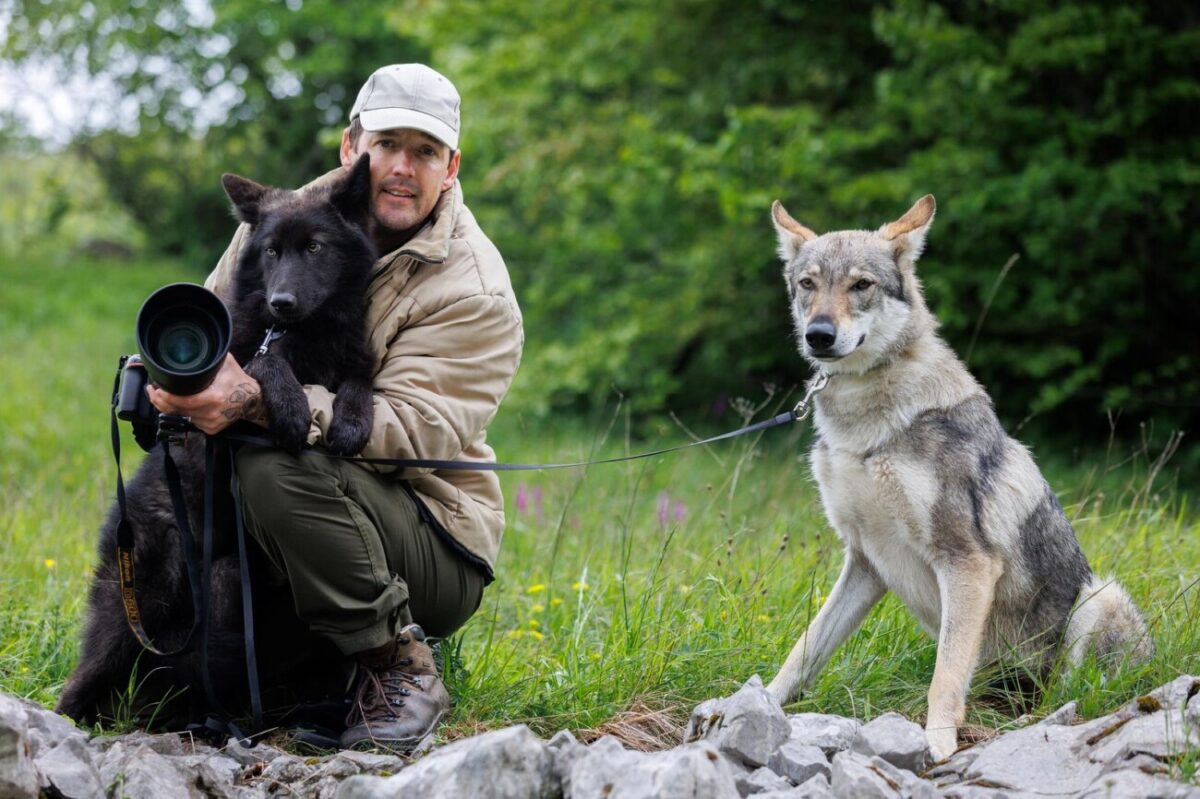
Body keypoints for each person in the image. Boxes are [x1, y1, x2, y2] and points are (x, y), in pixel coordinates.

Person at [146, 63, 523, 750]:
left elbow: (412, 431)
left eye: (426, 151)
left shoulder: (474, 290)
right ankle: (226, 675)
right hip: (325, 505)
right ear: (352, 149)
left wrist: (260, 402)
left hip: (432, 534)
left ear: (452, 165)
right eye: (388, 146)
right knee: (189, 491)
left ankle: (396, 665)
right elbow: (218, 337)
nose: (403, 167)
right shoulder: (279, 218)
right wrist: (175, 386)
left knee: (271, 460)